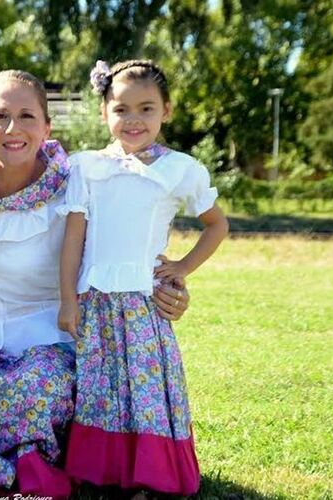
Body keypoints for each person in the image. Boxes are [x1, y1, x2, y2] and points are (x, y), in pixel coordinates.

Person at [0, 69, 192, 500]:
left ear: (47, 127)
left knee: (35, 387)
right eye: (0, 116)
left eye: (28, 116)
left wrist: (173, 289)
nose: (14, 129)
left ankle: (25, 472)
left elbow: (127, 252)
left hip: (47, 338)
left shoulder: (78, 188)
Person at [58, 59, 229, 497]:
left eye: (146, 108)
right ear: (104, 114)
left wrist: (182, 267)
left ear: (166, 111)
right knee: (102, 388)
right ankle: (104, 471)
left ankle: (150, 475)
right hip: (94, 299)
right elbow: (74, 238)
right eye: (121, 109)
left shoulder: (180, 169)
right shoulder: (86, 167)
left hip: (143, 302)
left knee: (147, 392)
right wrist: (67, 298)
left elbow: (216, 224)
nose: (133, 120)